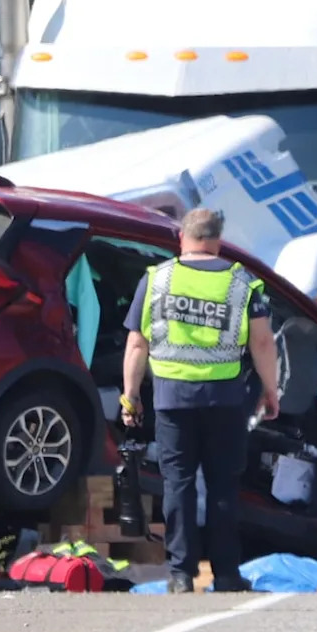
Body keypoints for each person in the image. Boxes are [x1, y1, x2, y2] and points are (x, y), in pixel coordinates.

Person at [120, 208, 280, 593]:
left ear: (182, 238)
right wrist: (271, 390)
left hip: (172, 398)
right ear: (218, 241)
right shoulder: (242, 282)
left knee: (178, 483)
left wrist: (130, 398)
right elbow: (261, 341)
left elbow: (137, 343)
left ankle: (180, 574)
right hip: (225, 399)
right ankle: (225, 574)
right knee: (224, 485)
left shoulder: (156, 279)